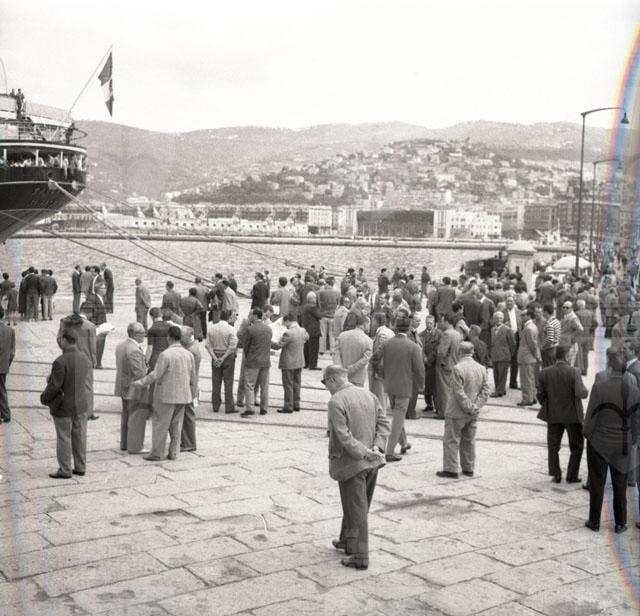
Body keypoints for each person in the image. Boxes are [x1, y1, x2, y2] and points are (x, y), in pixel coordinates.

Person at [324, 364, 389, 571]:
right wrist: (377, 447)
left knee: (356, 509)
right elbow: (384, 424)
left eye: (325, 383)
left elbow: (343, 436)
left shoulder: (336, 401)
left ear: (333, 380)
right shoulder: (369, 395)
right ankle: (348, 542)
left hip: (352, 463)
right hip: (373, 463)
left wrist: (363, 452)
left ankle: (360, 556)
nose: (327, 388)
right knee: (355, 505)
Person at [583, 350, 640, 533]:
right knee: (620, 485)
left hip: (599, 442)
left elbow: (591, 416)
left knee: (597, 483)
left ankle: (594, 521)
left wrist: (587, 435)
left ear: (609, 368)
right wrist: (633, 439)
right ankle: (620, 523)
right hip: (623, 445)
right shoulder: (635, 391)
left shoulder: (599, 388)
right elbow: (636, 420)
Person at [133, 326, 197, 461]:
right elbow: (193, 377)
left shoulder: (165, 354)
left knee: (160, 425)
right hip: (183, 395)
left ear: (169, 337)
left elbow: (155, 374)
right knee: (177, 426)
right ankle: (174, 452)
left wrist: (141, 383)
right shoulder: (188, 354)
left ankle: (157, 453)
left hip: (166, 395)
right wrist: (192, 394)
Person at [370, 315, 424, 462]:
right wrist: (421, 385)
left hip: (389, 384)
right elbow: (419, 369)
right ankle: (389, 451)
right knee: (398, 419)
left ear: (395, 326)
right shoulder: (413, 347)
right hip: (405, 386)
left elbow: (374, 359)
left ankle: (404, 443)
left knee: (397, 415)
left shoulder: (387, 344)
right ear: (409, 328)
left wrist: (381, 373)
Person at [40, 330, 93, 478]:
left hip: (64, 406)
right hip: (81, 404)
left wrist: (44, 398)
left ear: (64, 340)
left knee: (64, 437)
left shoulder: (60, 361)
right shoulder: (85, 358)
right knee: (80, 436)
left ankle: (65, 469)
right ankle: (80, 467)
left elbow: (54, 386)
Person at [437, 341, 490, 479]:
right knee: (469, 440)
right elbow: (486, 390)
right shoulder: (481, 368)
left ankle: (451, 469)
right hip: (473, 412)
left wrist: (468, 406)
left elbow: (458, 392)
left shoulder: (458, 368)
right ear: (472, 352)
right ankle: (468, 467)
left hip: (457, 411)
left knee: (451, 440)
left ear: (459, 352)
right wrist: (476, 406)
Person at [536, 346, 589, 483]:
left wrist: (549, 404)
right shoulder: (574, 371)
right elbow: (581, 393)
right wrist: (587, 391)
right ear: (566, 356)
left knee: (553, 446)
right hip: (572, 415)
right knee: (576, 446)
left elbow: (540, 394)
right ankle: (572, 475)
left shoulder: (545, 372)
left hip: (553, 414)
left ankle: (556, 474)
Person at [114, 322, 149, 454]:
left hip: (123, 386)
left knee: (126, 415)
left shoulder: (121, 345)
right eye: (142, 333)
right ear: (134, 335)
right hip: (134, 388)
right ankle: (135, 446)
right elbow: (139, 373)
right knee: (137, 417)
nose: (144, 335)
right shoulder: (134, 350)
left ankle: (125, 443)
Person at [57, 311, 98, 421]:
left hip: (68, 358)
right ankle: (88, 412)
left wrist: (65, 349)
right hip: (86, 359)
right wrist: (94, 360)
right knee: (87, 385)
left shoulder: (65, 323)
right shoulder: (90, 326)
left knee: (69, 383)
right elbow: (93, 347)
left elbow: (59, 339)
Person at [240, 309, 272, 418]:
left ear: (254, 316)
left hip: (253, 361)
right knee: (264, 386)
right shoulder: (268, 329)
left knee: (249, 385)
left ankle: (250, 408)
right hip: (265, 361)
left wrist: (248, 356)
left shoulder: (250, 329)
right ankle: (264, 408)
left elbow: (246, 346)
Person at [273, 314, 308, 413]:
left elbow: (278, 346)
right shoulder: (303, 330)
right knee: (297, 384)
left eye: (284, 323)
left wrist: (269, 342)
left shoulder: (288, 333)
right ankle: (296, 404)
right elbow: (307, 337)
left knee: (288, 384)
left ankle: (288, 406)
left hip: (288, 362)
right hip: (299, 361)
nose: (285, 326)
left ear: (288, 321)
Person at [205, 309, 238, 414]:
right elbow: (232, 346)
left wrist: (215, 357)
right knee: (228, 382)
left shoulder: (212, 328)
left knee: (216, 381)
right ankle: (229, 406)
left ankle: (215, 405)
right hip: (227, 356)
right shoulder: (231, 329)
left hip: (215, 354)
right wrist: (223, 358)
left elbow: (207, 345)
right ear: (229, 317)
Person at [435, 315, 463, 419]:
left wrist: (439, 363)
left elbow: (442, 352)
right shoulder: (458, 334)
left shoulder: (446, 334)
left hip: (445, 366)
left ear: (447, 322)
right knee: (452, 391)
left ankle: (443, 412)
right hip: (455, 364)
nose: (441, 323)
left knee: (443, 390)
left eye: (442, 321)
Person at [333, 314, 373, 387]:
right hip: (357, 378)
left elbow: (335, 353)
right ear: (365, 324)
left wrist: (340, 368)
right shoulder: (368, 341)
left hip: (341, 377)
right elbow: (365, 360)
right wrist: (351, 369)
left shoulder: (342, 335)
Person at [180, 326, 201, 452]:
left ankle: (189, 443)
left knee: (188, 415)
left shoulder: (191, 351)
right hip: (190, 385)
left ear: (189, 336)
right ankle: (187, 441)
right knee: (187, 414)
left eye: (181, 336)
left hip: (189, 386)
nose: (179, 339)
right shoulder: (190, 347)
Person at [368, 312, 394, 411]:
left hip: (380, 370)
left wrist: (376, 371)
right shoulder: (389, 331)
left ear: (376, 321)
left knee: (379, 396)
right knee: (381, 396)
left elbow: (379, 354)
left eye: (373, 320)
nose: (372, 322)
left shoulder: (382, 334)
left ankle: (381, 417)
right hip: (385, 369)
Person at [517, 307, 542, 407]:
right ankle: (533, 397)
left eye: (523, 315)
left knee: (526, 379)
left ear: (529, 316)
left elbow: (533, 344)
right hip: (529, 357)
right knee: (530, 378)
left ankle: (527, 399)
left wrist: (536, 356)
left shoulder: (529, 328)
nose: (521, 317)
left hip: (527, 357)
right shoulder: (531, 326)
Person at [419, 314, 441, 413]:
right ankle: (429, 404)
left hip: (433, 364)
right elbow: (420, 347)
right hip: (424, 363)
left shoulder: (439, 334)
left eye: (431, 323)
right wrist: (423, 358)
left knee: (434, 386)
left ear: (434, 323)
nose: (429, 325)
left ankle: (437, 406)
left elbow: (437, 349)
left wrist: (429, 359)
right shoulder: (421, 334)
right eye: (427, 323)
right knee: (426, 386)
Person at [575, 298, 598, 376]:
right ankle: (585, 370)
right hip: (588, 336)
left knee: (579, 354)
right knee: (585, 354)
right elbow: (595, 323)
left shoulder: (577, 313)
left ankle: (580, 369)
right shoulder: (591, 313)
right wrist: (590, 330)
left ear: (579, 306)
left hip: (580, 336)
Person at [0, 307, 15, 423]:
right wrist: (7, 364)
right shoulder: (10, 330)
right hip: (4, 366)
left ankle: (5, 413)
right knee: (2, 389)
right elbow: (12, 352)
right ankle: (5, 414)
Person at [318, 277, 340, 355]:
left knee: (322, 333)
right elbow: (338, 304)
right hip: (333, 315)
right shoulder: (337, 293)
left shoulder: (321, 292)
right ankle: (332, 350)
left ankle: (321, 350)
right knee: (332, 334)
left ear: (327, 284)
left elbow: (319, 303)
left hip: (323, 315)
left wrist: (321, 310)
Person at [301, 291, 321, 370]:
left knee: (306, 347)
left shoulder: (305, 307)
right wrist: (318, 305)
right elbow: (319, 316)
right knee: (314, 349)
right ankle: (313, 365)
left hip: (307, 329)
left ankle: (306, 363)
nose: (316, 299)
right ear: (311, 299)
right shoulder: (312, 307)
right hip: (313, 330)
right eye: (315, 298)